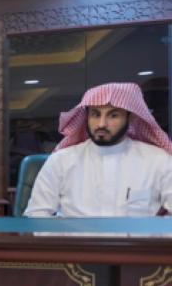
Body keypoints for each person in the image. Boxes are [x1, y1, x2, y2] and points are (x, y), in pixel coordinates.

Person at [25, 82, 172, 217]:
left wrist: (153, 240)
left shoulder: (158, 160)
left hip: (139, 245)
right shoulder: (62, 160)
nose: (101, 124)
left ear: (131, 118)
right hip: (76, 245)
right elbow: (37, 214)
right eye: (95, 114)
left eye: (113, 115)